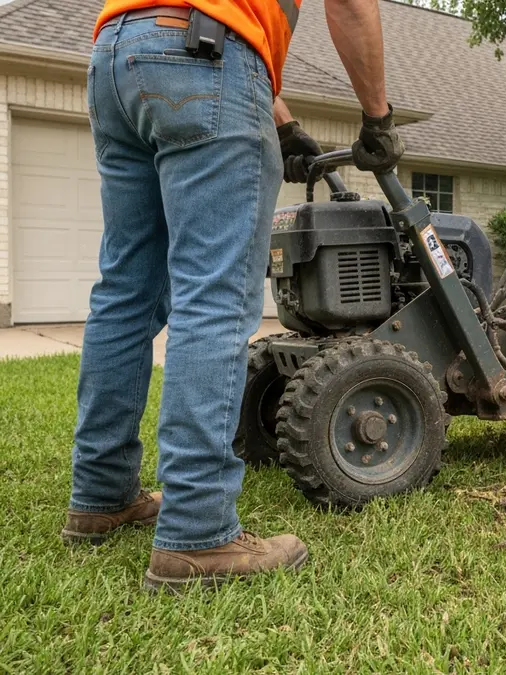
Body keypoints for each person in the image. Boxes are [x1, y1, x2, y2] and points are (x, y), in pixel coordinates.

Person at [60, 0, 403, 591]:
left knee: (125, 293)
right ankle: (198, 532)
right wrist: (377, 118)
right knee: (212, 296)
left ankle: (100, 496)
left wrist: (284, 124)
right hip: (203, 57)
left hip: (117, 55)